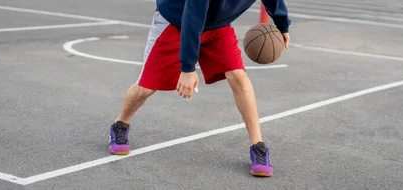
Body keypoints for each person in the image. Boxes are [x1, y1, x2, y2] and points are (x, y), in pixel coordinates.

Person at [107, 0, 291, 177]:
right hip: (176, 20)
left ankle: (258, 146)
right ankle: (120, 124)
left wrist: (282, 24)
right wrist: (187, 68)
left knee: (238, 76)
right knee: (146, 87)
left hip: (217, 25)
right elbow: (193, 15)